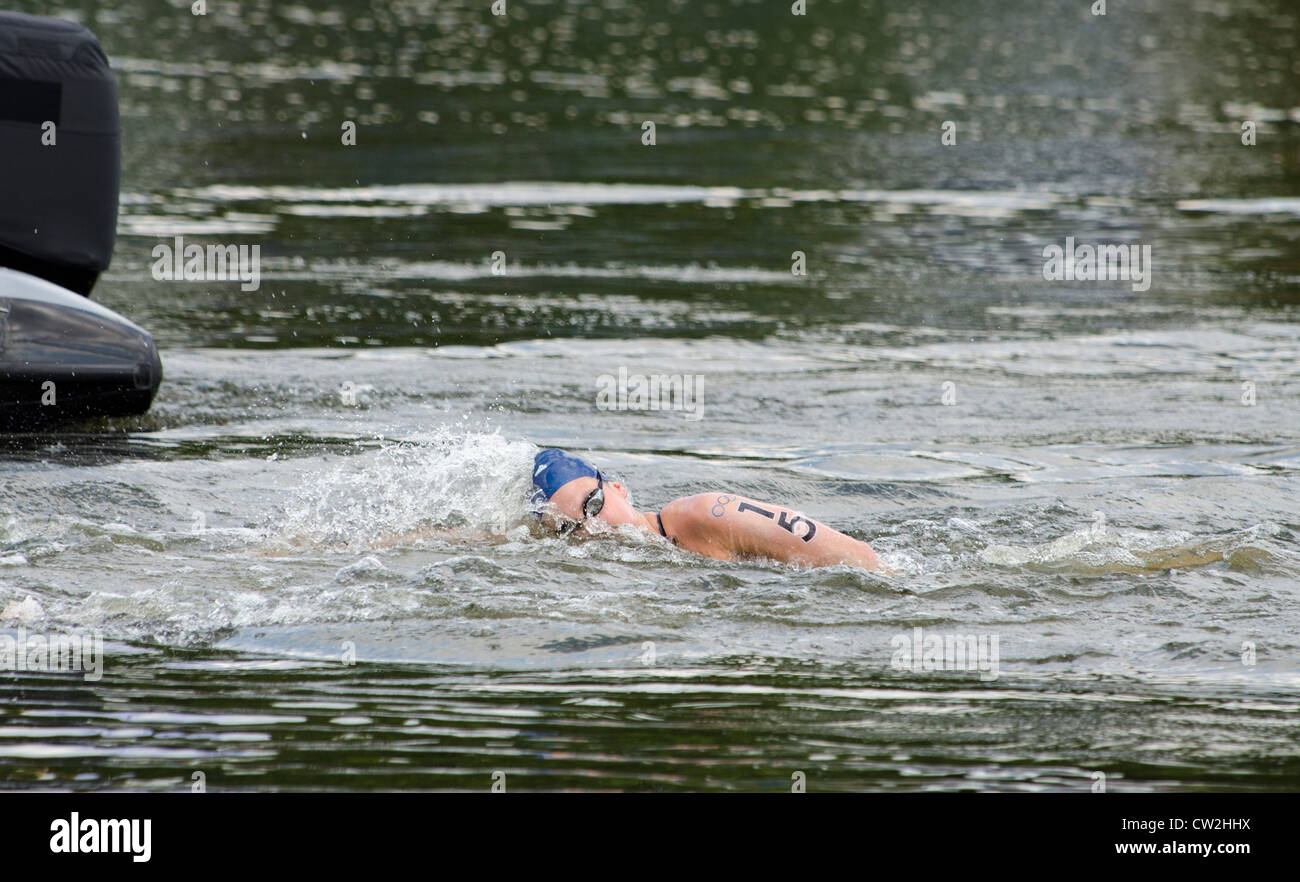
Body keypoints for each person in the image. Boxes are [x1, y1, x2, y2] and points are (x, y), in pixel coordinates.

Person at [531, 448, 884, 571]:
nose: (590, 530)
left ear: (619, 489)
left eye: (593, 507)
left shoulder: (707, 514)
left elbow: (861, 560)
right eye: (568, 528)